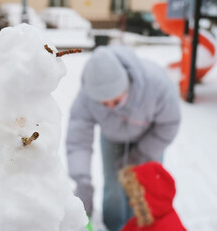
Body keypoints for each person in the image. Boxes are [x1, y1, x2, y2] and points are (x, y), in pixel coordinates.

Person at [66, 45, 181, 231]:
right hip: (113, 138)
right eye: (104, 104)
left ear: (127, 86)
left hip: (150, 138)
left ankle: (145, 226)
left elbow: (169, 124)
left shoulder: (156, 84)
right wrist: (82, 181)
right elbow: (78, 139)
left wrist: (141, 155)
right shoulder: (86, 97)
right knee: (114, 184)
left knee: (145, 189)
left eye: (116, 101)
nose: (111, 107)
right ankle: (115, 226)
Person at [119, 161, 186, 231]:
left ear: (149, 200)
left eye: (136, 200)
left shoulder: (168, 227)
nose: (130, 203)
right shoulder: (142, 221)